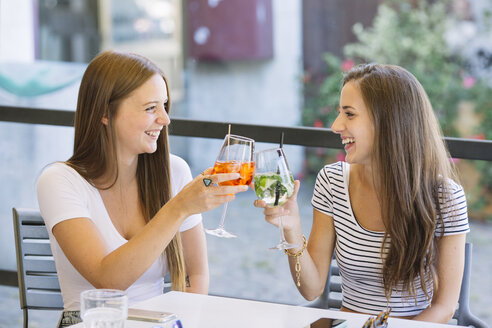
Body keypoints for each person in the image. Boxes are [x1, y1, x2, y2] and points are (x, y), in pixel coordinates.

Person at [37, 50, 248, 327]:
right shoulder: (59, 180)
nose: (165, 119)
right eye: (150, 108)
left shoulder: (175, 171)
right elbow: (107, 279)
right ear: (104, 113)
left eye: (164, 105)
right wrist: (179, 207)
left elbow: (194, 275)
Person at [255, 64, 470, 323]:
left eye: (350, 114)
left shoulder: (446, 197)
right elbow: (311, 289)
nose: (336, 126)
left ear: (389, 121)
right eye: (339, 113)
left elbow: (445, 307)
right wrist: (291, 229)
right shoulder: (332, 182)